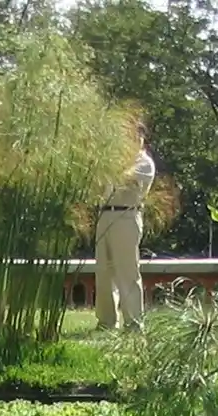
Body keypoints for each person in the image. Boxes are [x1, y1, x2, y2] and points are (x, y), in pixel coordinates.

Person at [94, 126, 155, 330]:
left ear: (141, 138)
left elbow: (122, 178)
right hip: (104, 214)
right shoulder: (112, 159)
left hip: (126, 215)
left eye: (134, 136)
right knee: (103, 271)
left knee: (127, 271)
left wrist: (107, 166)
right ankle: (106, 321)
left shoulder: (144, 163)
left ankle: (134, 323)